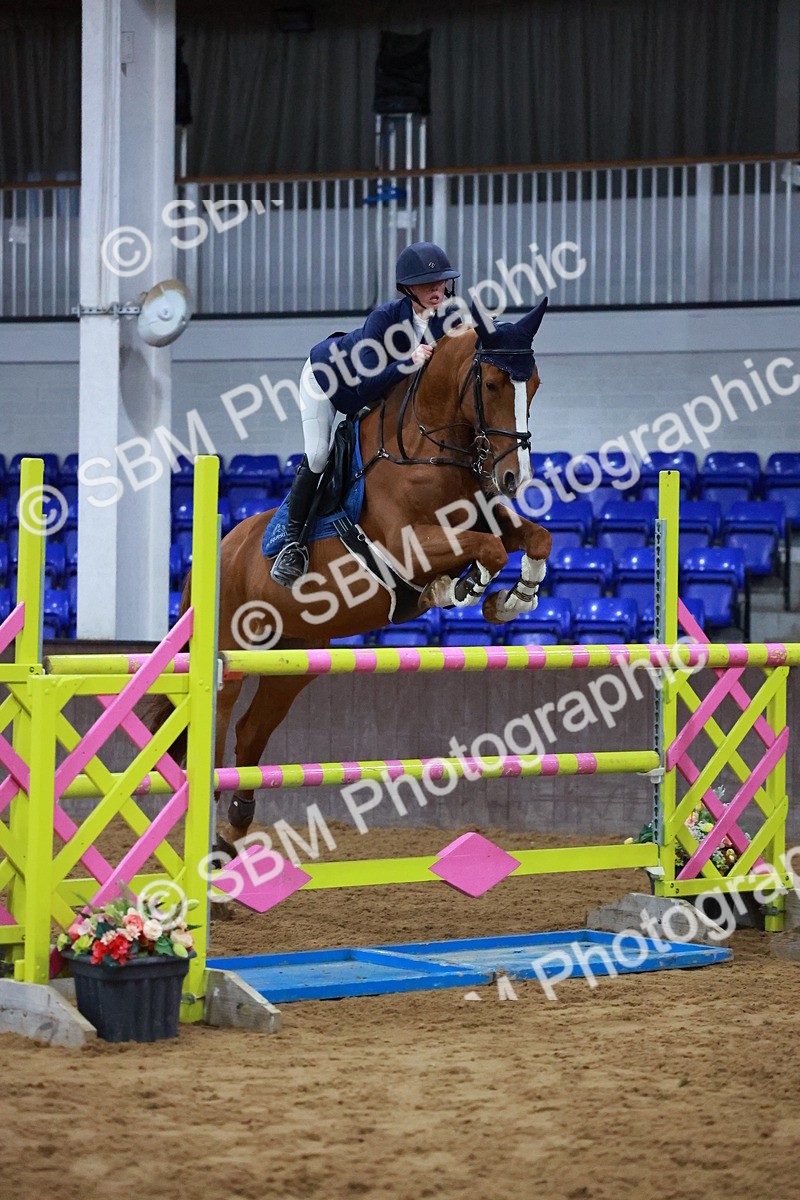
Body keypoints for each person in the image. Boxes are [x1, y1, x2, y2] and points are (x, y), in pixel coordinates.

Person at [270, 241, 461, 587]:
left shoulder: (450, 318)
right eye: (427, 283)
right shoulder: (384, 319)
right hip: (328, 380)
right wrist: (408, 362)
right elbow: (365, 390)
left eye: (442, 282)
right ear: (408, 288)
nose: (437, 289)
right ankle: (293, 543)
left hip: (381, 393)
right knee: (318, 454)